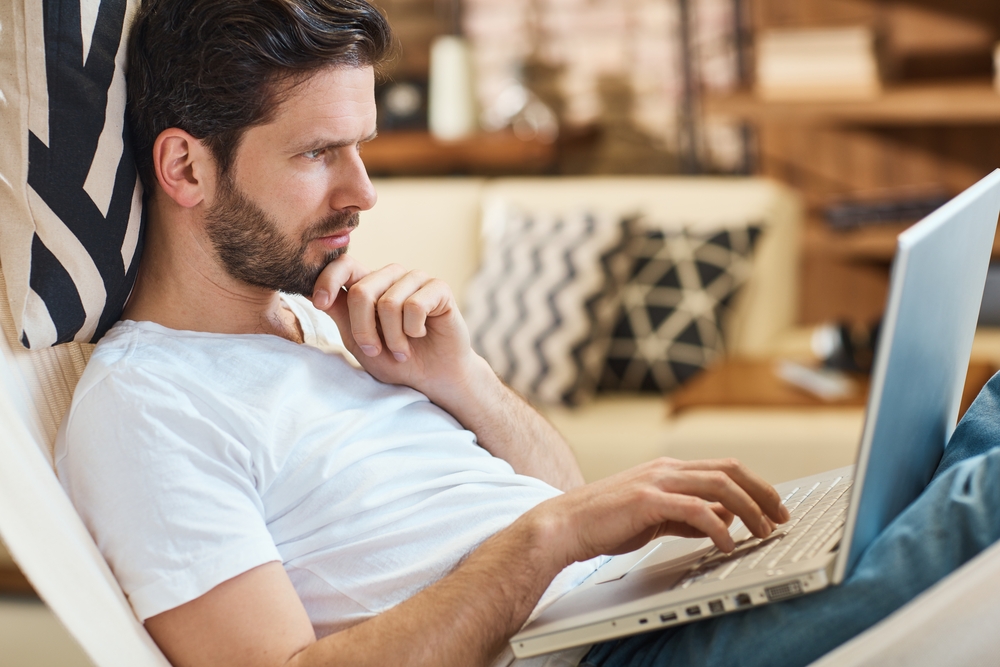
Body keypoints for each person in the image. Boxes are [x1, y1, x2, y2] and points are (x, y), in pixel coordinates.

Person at [55, 1, 1000, 666]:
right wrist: (546, 538)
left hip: (637, 599)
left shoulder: (319, 322)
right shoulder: (147, 405)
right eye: (317, 154)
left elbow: (570, 493)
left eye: (362, 146)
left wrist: (462, 379)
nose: (363, 192)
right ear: (184, 165)